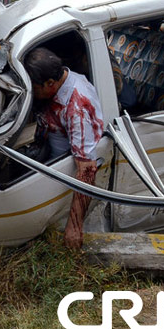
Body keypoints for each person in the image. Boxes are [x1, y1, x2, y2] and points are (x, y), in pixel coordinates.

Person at [23, 46, 105, 250]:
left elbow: (87, 170)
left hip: (61, 172)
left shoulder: (77, 107)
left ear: (51, 83)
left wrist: (75, 226)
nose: (33, 93)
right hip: (46, 146)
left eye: (35, 88)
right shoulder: (62, 81)